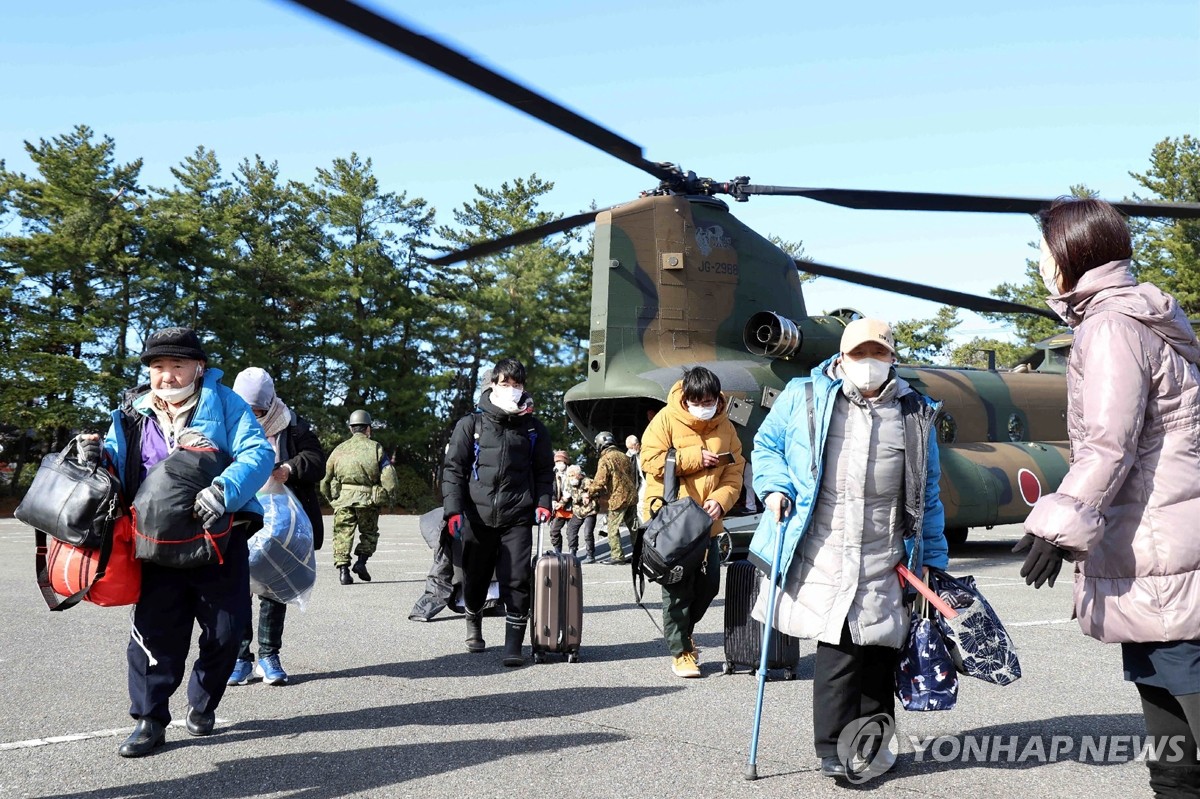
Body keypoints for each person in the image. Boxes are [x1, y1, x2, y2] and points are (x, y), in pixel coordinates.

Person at [1017, 197, 1200, 797]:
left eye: (1045, 252)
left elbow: (1107, 444)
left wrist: (1054, 525)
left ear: (1071, 253)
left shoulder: (1110, 327)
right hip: (1160, 549)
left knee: (1180, 696)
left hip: (1158, 553)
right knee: (1171, 740)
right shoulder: (1145, 317)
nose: (1042, 265)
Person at [747, 317, 948, 780]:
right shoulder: (806, 395)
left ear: (892, 358)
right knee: (838, 650)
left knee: (879, 651)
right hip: (823, 545)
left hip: (885, 549)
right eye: (860, 354)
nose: (869, 363)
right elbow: (766, 445)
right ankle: (833, 751)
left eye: (879, 354)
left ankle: (875, 748)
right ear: (842, 357)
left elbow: (928, 491)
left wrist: (933, 559)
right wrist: (775, 487)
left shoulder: (917, 411)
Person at [80, 327, 274, 758]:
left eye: (176, 365)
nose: (165, 375)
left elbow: (258, 454)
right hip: (152, 543)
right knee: (154, 634)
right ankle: (150, 720)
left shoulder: (225, 403)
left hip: (218, 537)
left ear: (198, 367)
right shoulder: (132, 413)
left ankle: (204, 702)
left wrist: (224, 489)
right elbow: (116, 463)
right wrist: (96, 457)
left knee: (226, 632)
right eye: (157, 366)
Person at [441, 358, 554, 666]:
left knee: (517, 578)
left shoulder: (533, 429)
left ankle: (513, 644)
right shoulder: (471, 424)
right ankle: (474, 625)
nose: (511, 390)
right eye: (505, 384)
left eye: (516, 385)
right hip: (477, 516)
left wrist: (544, 502)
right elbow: (453, 470)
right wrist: (453, 510)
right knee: (475, 578)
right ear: (492, 384)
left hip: (517, 514)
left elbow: (544, 472)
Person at [640, 366, 745, 678]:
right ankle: (681, 652)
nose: (704, 406)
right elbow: (649, 460)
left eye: (710, 400)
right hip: (674, 522)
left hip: (708, 522)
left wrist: (722, 500)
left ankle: (685, 634)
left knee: (709, 585)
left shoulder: (726, 426)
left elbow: (735, 472)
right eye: (697, 400)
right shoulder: (665, 419)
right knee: (676, 590)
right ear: (685, 398)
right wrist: (693, 457)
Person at [226, 367, 326, 687]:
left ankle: (269, 655)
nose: (253, 415)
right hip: (238, 515)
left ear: (269, 404)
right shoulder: (225, 422)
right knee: (237, 586)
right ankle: (241, 658)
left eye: (258, 410)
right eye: (246, 409)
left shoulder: (292, 425)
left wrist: (288, 468)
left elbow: (316, 460)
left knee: (273, 587)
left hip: (281, 519)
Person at [319, 409, 397, 586]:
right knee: (369, 533)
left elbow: (325, 481)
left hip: (343, 500)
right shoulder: (375, 448)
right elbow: (389, 477)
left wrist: (332, 500)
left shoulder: (338, 450)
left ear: (350, 428)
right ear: (368, 428)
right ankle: (361, 562)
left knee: (342, 534)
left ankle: (343, 572)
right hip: (367, 500)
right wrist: (388, 496)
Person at [589, 431, 639, 565]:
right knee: (634, 528)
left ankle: (617, 556)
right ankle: (640, 555)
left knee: (612, 529)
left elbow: (600, 481)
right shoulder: (624, 456)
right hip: (632, 496)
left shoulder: (606, 459)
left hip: (618, 499)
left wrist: (589, 492)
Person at [561, 464, 598, 562]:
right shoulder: (569, 483)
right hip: (577, 511)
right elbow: (567, 495)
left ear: (579, 474)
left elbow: (598, 491)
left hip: (590, 511)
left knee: (587, 533)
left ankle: (590, 555)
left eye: (573, 475)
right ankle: (572, 552)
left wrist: (588, 495)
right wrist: (559, 504)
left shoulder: (588, 481)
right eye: (570, 475)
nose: (571, 477)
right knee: (571, 531)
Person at [548, 450, 572, 552]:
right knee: (554, 531)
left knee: (571, 533)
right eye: (557, 462)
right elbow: (551, 489)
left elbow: (571, 490)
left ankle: (573, 552)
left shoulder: (573, 472)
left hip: (572, 507)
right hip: (558, 508)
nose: (559, 464)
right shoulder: (553, 474)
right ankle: (558, 551)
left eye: (561, 462)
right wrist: (553, 501)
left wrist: (562, 502)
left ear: (566, 462)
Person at [626, 434, 648, 518]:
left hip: (651, 482)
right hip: (642, 483)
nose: (630, 450)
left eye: (631, 448)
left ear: (637, 445)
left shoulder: (646, 452)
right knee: (639, 504)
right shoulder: (633, 456)